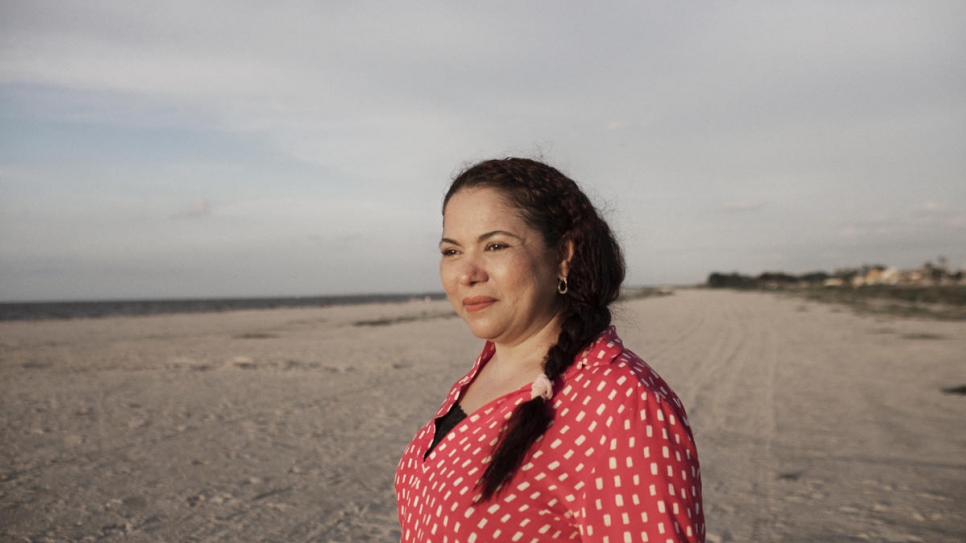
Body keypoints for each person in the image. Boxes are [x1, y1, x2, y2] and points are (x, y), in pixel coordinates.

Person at [395, 158, 704, 543]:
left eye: (495, 245)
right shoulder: (484, 372)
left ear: (564, 256)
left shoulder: (621, 402)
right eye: (451, 251)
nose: (467, 274)